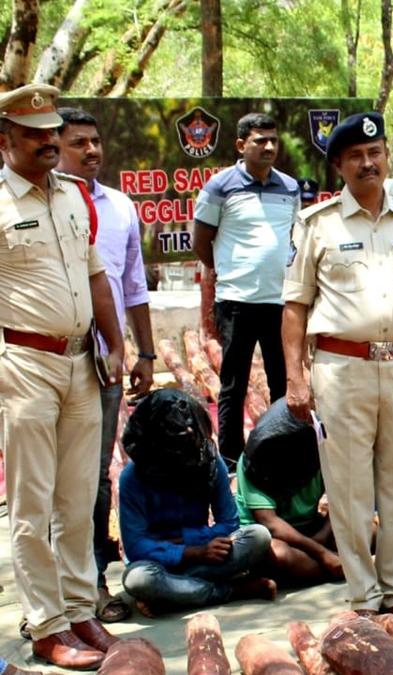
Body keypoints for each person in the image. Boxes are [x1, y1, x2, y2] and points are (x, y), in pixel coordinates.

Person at [282, 111, 393, 615]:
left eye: (375, 153)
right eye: (355, 156)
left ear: (387, 158)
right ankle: (363, 595)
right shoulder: (317, 225)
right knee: (351, 489)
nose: (367, 163)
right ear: (339, 165)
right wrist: (295, 376)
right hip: (341, 368)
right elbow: (294, 305)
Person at [0, 84, 124, 669]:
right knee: (31, 505)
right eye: (35, 134)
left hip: (83, 362)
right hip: (22, 364)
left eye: (52, 132)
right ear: (6, 141)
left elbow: (98, 275)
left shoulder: (75, 196)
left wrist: (117, 343)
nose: (49, 142)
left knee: (78, 500)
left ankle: (80, 613)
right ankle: (47, 627)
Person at [56, 106, 156, 625]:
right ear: (54, 146)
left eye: (96, 141)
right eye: (79, 143)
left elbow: (134, 286)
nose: (92, 151)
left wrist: (146, 352)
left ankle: (92, 582)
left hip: (105, 363)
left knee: (93, 479)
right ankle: (52, 596)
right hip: (44, 362)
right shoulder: (37, 205)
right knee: (49, 482)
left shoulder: (119, 207)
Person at [192, 112, 299, 463]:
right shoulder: (219, 187)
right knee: (233, 385)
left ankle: (280, 452)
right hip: (236, 302)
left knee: (282, 383)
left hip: (280, 303)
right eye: (259, 141)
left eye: (273, 140)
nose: (269, 147)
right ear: (241, 145)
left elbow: (294, 240)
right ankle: (232, 460)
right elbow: (201, 243)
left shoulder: (290, 187)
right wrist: (231, 272)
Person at [119, 389, 277, 615]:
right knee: (139, 580)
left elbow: (230, 524)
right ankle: (230, 591)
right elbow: (136, 547)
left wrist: (189, 543)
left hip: (202, 557)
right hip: (158, 562)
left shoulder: (211, 463)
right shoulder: (132, 478)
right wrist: (192, 551)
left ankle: (173, 595)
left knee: (258, 536)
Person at [236, 398, 342, 587]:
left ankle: (329, 566)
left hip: (312, 528)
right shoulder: (252, 463)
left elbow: (341, 499)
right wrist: (320, 551)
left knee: (369, 530)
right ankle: (339, 567)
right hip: (274, 538)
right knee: (280, 555)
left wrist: (322, 536)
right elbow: (270, 522)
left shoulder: (319, 452)